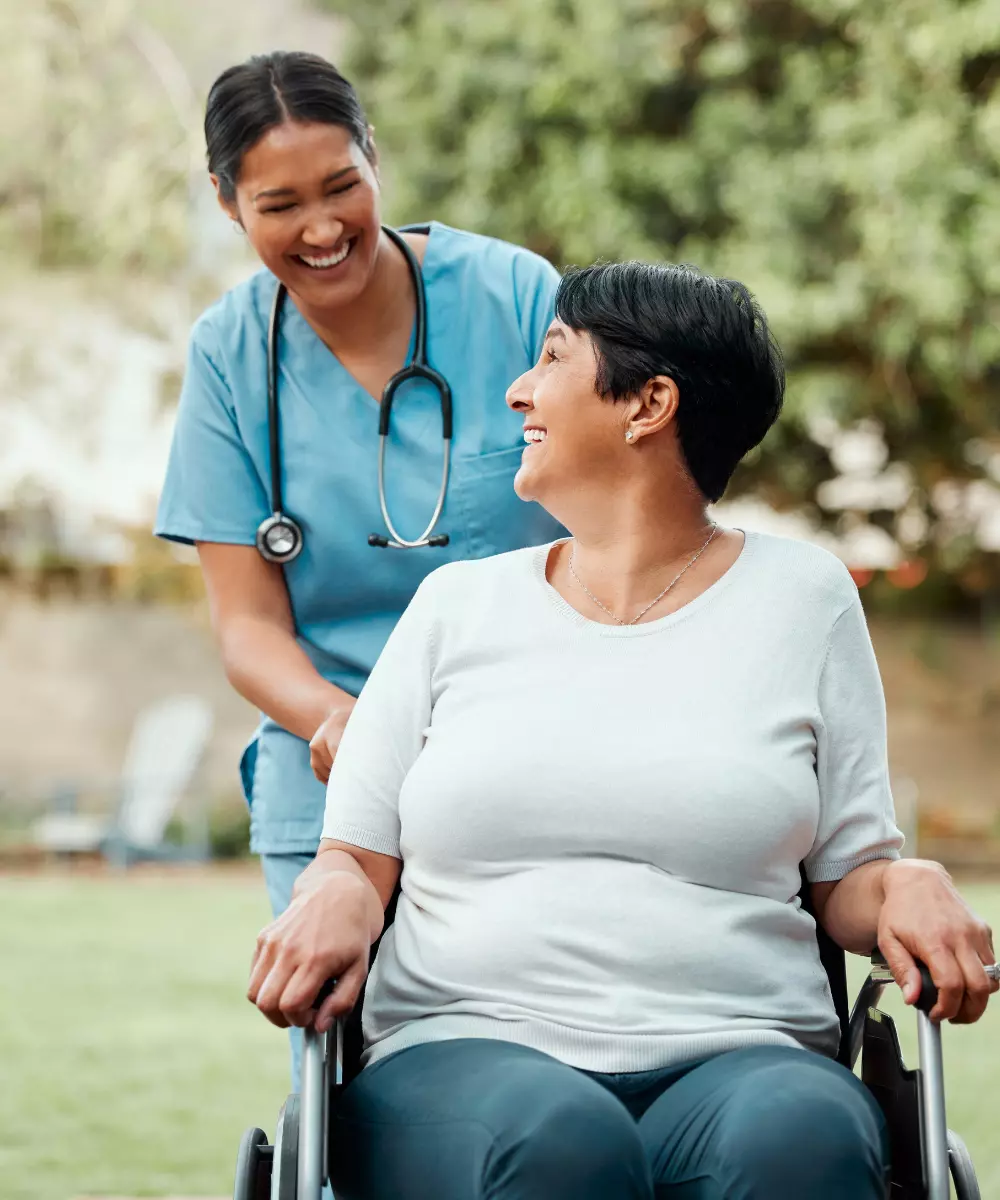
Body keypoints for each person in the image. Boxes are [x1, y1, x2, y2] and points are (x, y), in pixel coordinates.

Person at [247, 260, 998, 1199]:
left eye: (553, 357)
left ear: (649, 404)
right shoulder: (454, 607)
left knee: (799, 1141)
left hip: (744, 1051)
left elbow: (848, 880)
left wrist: (908, 883)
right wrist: (332, 890)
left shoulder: (806, 603)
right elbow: (357, 859)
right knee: (564, 1145)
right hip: (467, 1050)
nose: (520, 389)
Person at [154, 52, 565, 1082]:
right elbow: (247, 627)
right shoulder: (228, 355)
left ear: (375, 156)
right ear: (225, 202)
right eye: (279, 203)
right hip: (330, 769)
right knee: (370, 1087)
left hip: (532, 759)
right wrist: (347, 727)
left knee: (549, 1053)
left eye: (342, 185)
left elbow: (608, 524)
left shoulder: (515, 295)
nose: (323, 227)